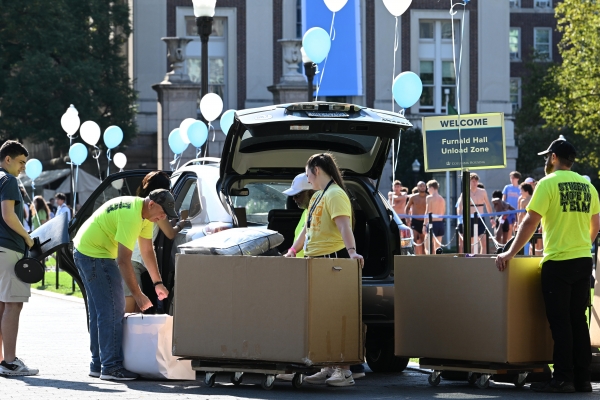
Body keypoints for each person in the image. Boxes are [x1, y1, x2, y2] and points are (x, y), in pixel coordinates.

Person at [496, 139, 599, 393]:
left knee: (560, 322)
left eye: (546, 157)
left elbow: (530, 223)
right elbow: (595, 223)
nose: (545, 162)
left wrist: (509, 252)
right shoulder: (588, 187)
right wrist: (582, 244)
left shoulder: (547, 183)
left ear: (554, 158)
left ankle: (563, 378)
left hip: (558, 263)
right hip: (584, 260)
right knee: (578, 321)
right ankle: (583, 379)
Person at [73, 189, 175, 380]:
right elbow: (123, 260)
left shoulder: (143, 214)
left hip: (86, 250)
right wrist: (138, 294)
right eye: (162, 213)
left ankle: (98, 363)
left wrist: (157, 283)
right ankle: (111, 366)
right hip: (96, 255)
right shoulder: (132, 217)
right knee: (112, 311)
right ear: (151, 204)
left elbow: (147, 251)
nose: (163, 218)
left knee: (100, 312)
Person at [284, 153, 363, 387]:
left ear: (316, 170)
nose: (307, 179)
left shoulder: (336, 194)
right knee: (322, 318)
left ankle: (345, 371)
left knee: (338, 316)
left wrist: (352, 252)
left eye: (308, 174)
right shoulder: (319, 195)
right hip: (315, 261)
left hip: (332, 261)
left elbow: (344, 226)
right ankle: (328, 367)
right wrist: (293, 250)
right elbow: (307, 229)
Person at [0, 140, 37, 376]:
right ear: (8, 159)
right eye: (21, 162)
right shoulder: (9, 180)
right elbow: (8, 214)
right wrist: (28, 237)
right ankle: (10, 362)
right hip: (9, 248)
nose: (23, 167)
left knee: (3, 306)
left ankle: (3, 359)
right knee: (14, 305)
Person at [124, 172, 184, 313]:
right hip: (133, 260)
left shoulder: (143, 204)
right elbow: (170, 233)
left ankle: (132, 335)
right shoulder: (158, 205)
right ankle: (125, 335)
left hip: (134, 259)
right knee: (130, 309)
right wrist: (181, 224)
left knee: (136, 308)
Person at [457, 173, 494, 254]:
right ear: (469, 182)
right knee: (472, 244)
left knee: (484, 242)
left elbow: (488, 205)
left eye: (476, 181)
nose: (475, 183)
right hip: (469, 219)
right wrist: (460, 222)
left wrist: (492, 218)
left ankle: (481, 261)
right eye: (473, 181)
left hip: (480, 218)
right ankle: (471, 261)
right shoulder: (465, 193)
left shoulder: (482, 191)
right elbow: (460, 208)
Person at [422, 180, 446, 254]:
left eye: (428, 188)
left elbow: (427, 211)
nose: (427, 190)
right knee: (437, 248)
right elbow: (443, 212)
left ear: (432, 188)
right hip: (440, 224)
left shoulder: (429, 198)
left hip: (432, 223)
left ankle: (429, 264)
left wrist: (424, 224)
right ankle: (437, 264)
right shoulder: (442, 199)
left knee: (427, 247)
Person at [405, 181, 427, 255]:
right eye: (420, 186)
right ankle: (413, 256)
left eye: (424, 186)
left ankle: (424, 259)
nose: (422, 187)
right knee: (414, 240)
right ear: (417, 187)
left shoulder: (428, 197)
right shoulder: (413, 197)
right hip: (415, 221)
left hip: (424, 222)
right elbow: (407, 208)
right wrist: (407, 218)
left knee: (423, 242)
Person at [502, 171, 521, 236]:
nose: (512, 179)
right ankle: (509, 243)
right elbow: (503, 199)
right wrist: (504, 208)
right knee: (509, 227)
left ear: (517, 179)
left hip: (517, 211)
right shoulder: (507, 187)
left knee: (516, 227)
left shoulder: (520, 188)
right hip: (508, 211)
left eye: (513, 178)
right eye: (511, 178)